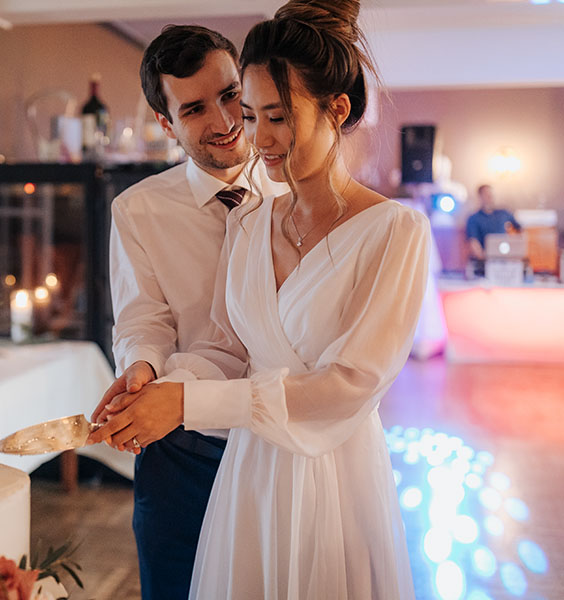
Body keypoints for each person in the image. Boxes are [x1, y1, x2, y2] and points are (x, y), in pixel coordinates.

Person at [89, 1, 428, 598]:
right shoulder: (247, 223)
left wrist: (188, 401)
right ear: (168, 123)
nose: (249, 134)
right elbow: (217, 343)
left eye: (269, 114)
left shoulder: (394, 231)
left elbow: (351, 382)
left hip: (327, 470)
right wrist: (151, 391)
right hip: (235, 467)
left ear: (336, 109)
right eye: (251, 115)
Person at [90, 25, 284, 600]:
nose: (224, 119)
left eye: (230, 94)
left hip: (278, 441)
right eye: (195, 108)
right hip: (182, 448)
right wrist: (141, 372)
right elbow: (143, 319)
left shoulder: (296, 192)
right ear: (166, 122)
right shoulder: (138, 210)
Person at [466, 183, 521, 260]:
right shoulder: (474, 218)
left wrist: (515, 249)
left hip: (506, 257)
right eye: (486, 194)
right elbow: (474, 242)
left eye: (491, 193)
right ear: (480, 197)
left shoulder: (504, 213)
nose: (490, 196)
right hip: (486, 259)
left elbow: (520, 230)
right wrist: (483, 258)